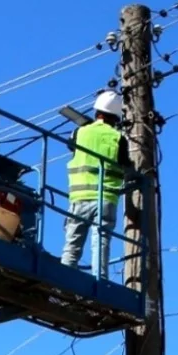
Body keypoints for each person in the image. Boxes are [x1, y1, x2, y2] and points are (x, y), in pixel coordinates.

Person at [62, 90, 129, 270]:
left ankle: (65, 273)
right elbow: (125, 164)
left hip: (79, 197)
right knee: (101, 242)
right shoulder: (119, 138)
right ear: (116, 117)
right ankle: (101, 279)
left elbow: (70, 147)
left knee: (72, 244)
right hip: (106, 198)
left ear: (96, 111)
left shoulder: (80, 132)